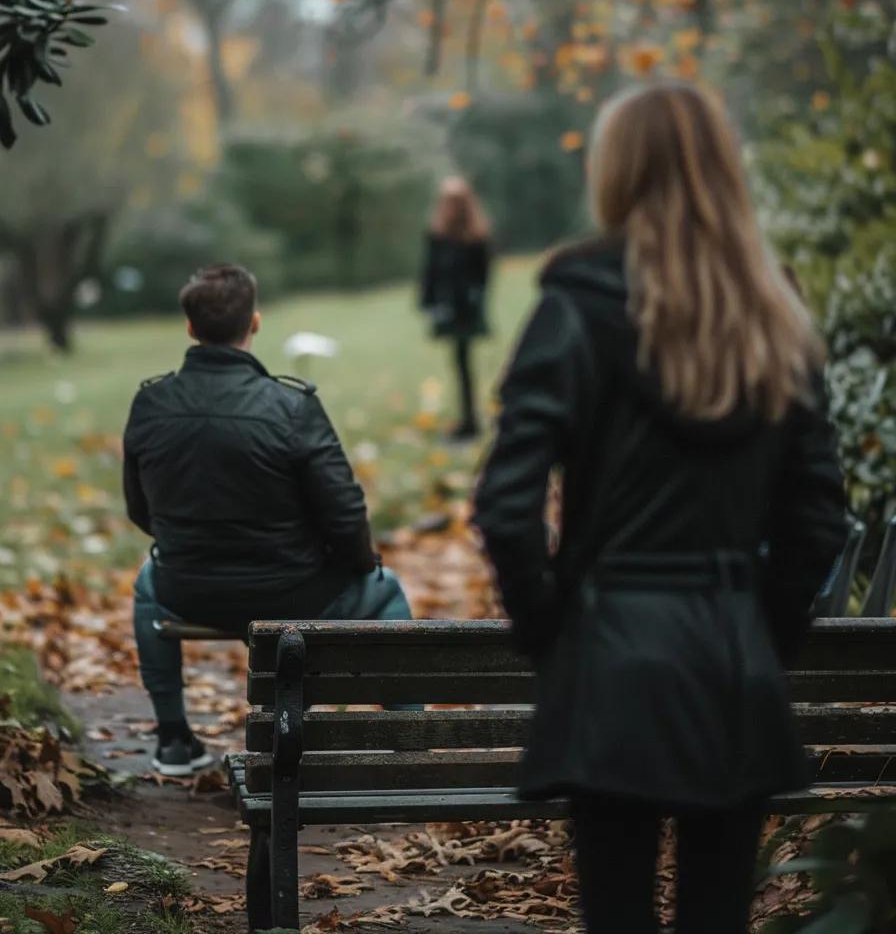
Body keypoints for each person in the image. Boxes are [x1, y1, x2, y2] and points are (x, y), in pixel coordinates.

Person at [474, 82, 847, 934]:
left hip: (610, 654)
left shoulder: (574, 307)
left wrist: (553, 635)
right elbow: (819, 516)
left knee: (618, 915)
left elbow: (507, 502)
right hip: (731, 653)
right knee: (720, 916)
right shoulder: (776, 313)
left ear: (619, 172)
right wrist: (760, 633)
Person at [124, 264, 412, 777]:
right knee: (386, 591)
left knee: (148, 586)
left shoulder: (151, 402)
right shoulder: (292, 406)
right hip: (295, 589)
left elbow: (139, 509)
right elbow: (345, 513)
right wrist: (356, 566)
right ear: (253, 323)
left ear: (190, 328)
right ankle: (411, 742)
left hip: (191, 588)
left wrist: (193, 548)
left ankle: (173, 740)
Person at [420, 176, 492, 439]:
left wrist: (473, 302)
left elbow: (483, 278)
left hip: (466, 312)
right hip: (447, 309)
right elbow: (430, 272)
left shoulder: (475, 239)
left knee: (463, 363)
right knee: (459, 363)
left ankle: (470, 420)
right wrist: (428, 303)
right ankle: (468, 417)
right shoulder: (438, 237)